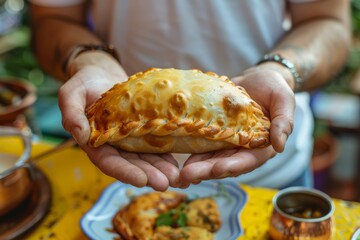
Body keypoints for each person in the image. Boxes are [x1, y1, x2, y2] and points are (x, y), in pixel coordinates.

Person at [29, 0, 350, 191]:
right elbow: (53, 18)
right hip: (119, 180)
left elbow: (328, 20)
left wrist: (279, 71)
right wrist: (89, 60)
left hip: (271, 175)